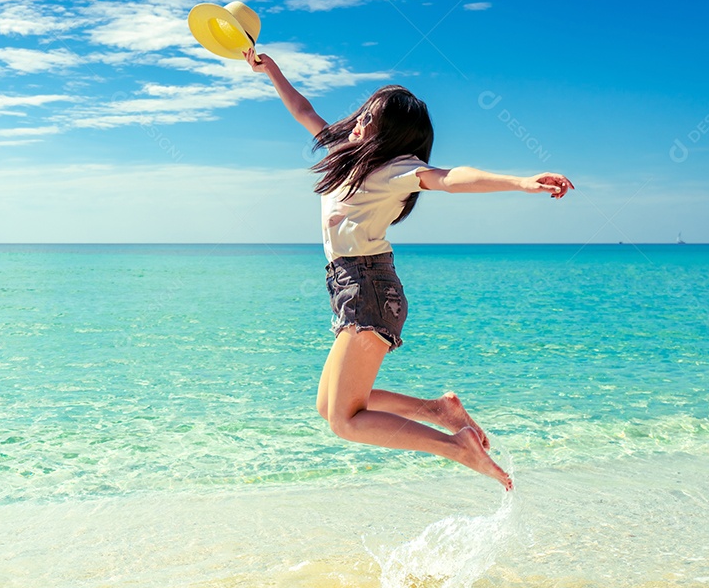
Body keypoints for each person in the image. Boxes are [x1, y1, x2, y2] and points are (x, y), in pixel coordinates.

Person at [245, 48, 573, 491]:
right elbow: (304, 109)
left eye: (370, 120)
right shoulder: (347, 155)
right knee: (330, 406)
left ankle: (457, 446)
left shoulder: (398, 169)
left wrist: (519, 182)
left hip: (369, 289)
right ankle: (438, 411)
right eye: (362, 114)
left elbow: (453, 177)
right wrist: (272, 72)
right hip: (351, 287)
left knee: (345, 421)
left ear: (390, 136)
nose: (358, 122)